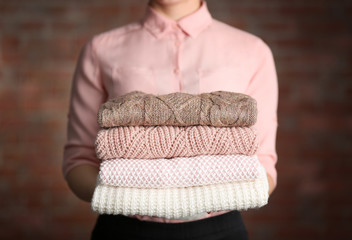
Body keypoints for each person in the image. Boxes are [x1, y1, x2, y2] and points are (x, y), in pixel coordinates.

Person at [63, 0, 278, 239]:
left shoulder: (252, 50)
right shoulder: (100, 49)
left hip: (219, 231)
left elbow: (263, 165)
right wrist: (127, 199)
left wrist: (204, 197)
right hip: (125, 230)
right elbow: (79, 160)